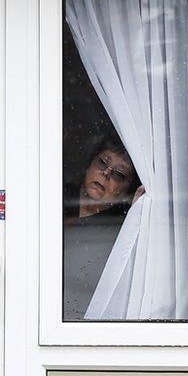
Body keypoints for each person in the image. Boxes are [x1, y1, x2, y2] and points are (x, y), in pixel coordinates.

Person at [62, 133, 144, 320]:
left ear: (126, 190)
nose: (106, 173)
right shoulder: (54, 196)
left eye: (119, 174)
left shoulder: (121, 228)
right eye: (102, 162)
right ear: (88, 165)